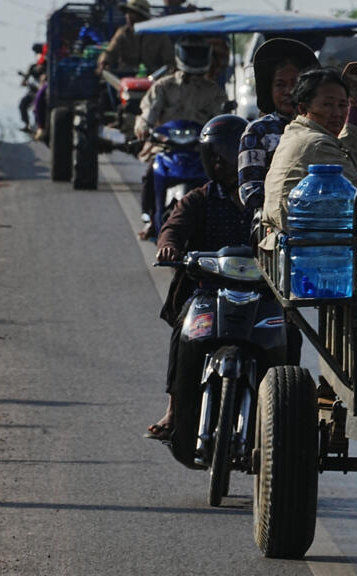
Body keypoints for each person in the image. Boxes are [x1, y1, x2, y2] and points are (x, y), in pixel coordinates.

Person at [145, 114, 252, 440]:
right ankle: (174, 409)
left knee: (288, 333)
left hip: (261, 290)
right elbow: (173, 228)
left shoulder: (265, 198)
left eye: (228, 151)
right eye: (213, 153)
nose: (220, 161)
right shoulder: (199, 198)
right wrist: (169, 247)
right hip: (207, 291)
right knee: (183, 334)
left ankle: (286, 407)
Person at [259, 68, 357, 252]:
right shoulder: (316, 143)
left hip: (297, 236)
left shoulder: (298, 132)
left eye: (342, 105)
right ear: (303, 108)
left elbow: (344, 156)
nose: (337, 113)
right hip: (310, 246)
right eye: (328, 105)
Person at [135, 36, 228, 238]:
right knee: (151, 173)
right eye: (190, 52)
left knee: (223, 178)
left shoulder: (214, 92)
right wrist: (143, 126)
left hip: (199, 149)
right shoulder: (163, 86)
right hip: (166, 147)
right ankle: (150, 219)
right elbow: (148, 111)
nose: (194, 57)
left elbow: (221, 119)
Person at [237, 38, 321, 224]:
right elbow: (249, 191)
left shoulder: (325, 127)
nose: (288, 91)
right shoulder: (258, 131)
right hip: (274, 229)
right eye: (280, 85)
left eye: (294, 83)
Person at [96, 0, 173, 76]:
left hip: (152, 78)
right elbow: (110, 52)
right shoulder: (123, 33)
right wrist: (104, 62)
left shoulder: (159, 35)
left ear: (143, 16)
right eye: (128, 13)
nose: (129, 16)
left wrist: (168, 72)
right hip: (126, 77)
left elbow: (169, 61)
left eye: (133, 13)